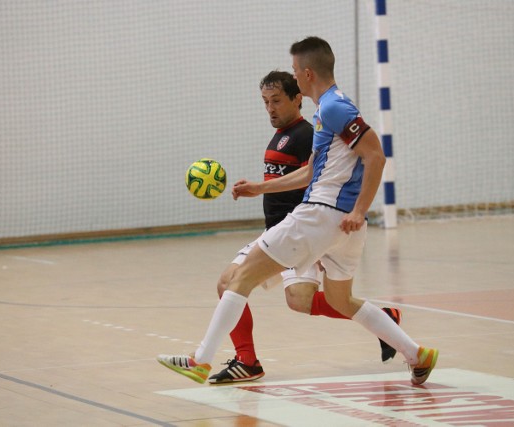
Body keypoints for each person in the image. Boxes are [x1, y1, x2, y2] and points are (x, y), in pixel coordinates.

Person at [158, 36, 438, 386]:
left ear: (306, 74)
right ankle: (417, 354)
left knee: (239, 278)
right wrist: (258, 188)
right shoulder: (327, 111)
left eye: (293, 71)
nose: (293, 76)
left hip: (322, 214)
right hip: (339, 226)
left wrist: (359, 209)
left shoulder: (335, 106)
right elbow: (311, 171)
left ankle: (200, 360)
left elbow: (376, 156)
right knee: (340, 300)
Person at [208, 70, 402, 384]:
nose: (270, 108)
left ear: (298, 98)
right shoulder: (282, 134)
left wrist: (321, 239)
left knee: (234, 284)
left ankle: (242, 360)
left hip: (297, 230)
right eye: (265, 102)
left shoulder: (308, 134)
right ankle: (384, 320)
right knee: (298, 299)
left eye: (277, 101)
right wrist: (259, 188)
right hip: (281, 230)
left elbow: (314, 179)